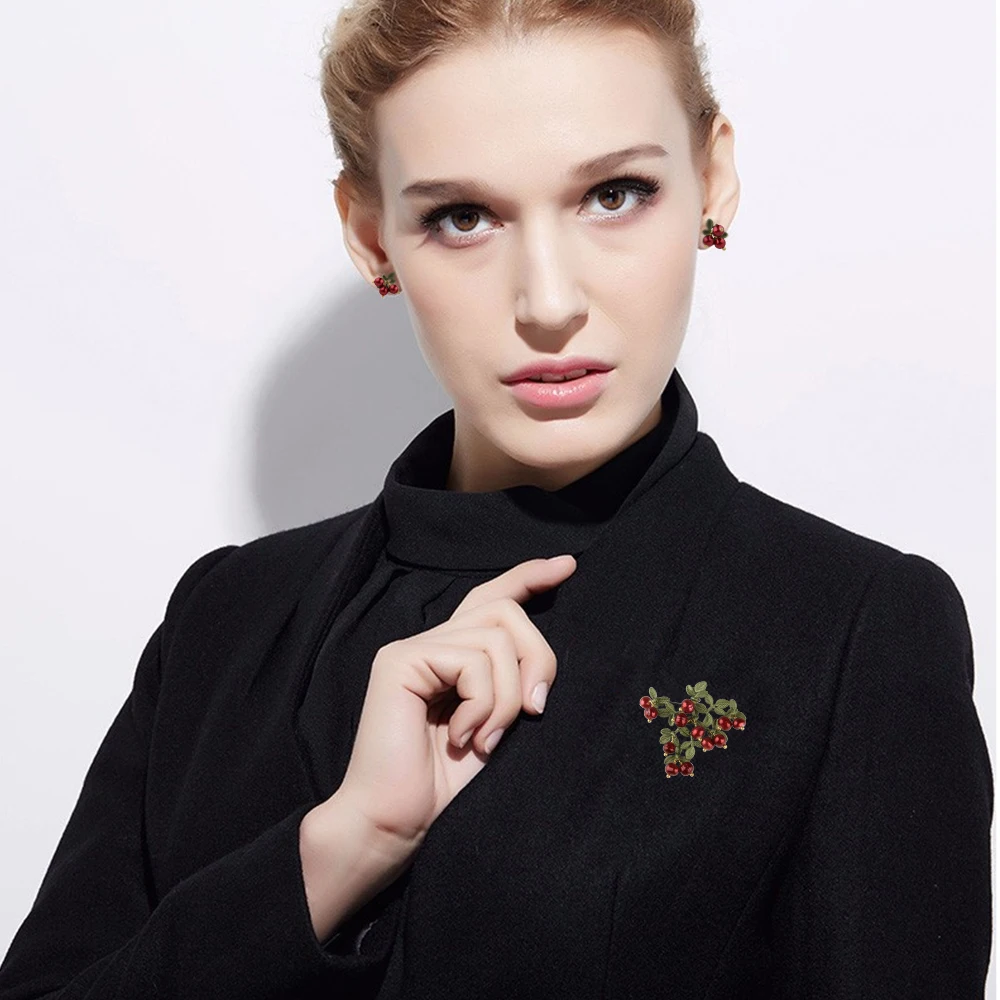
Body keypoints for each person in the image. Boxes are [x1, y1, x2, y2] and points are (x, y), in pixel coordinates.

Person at [0, 1, 991, 997]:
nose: (549, 302)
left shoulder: (853, 631)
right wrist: (344, 846)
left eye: (614, 194)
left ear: (712, 176)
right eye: (462, 218)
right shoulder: (225, 618)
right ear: (370, 234)